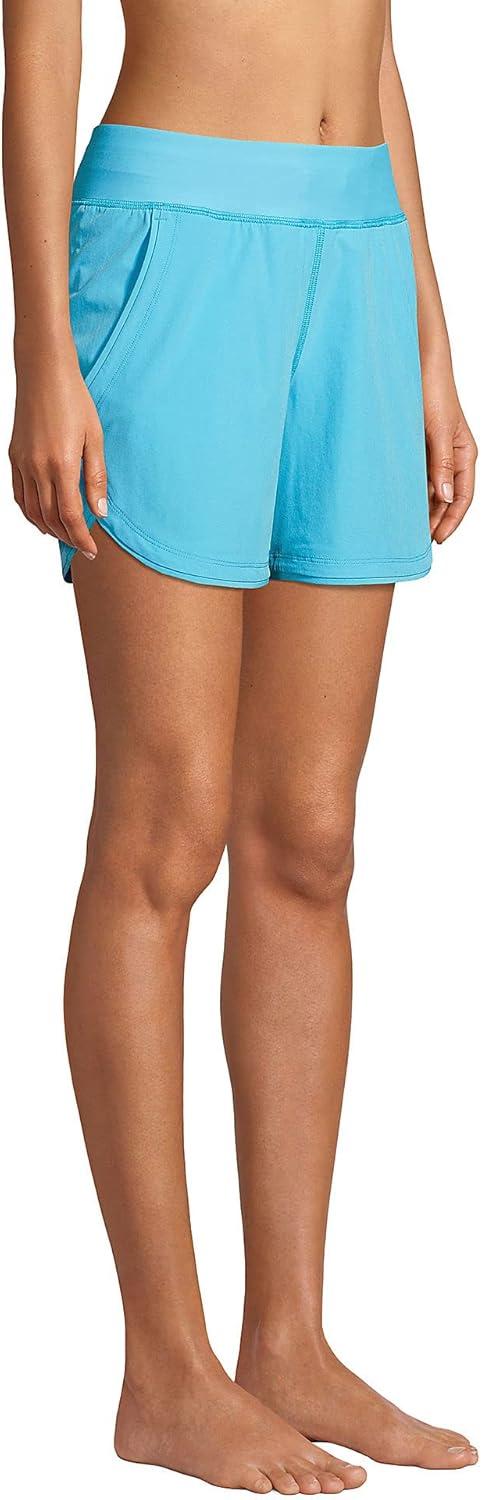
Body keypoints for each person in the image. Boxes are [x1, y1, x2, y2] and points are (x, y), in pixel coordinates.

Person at [3, 1, 477, 1492]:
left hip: (356, 250)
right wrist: (43, 353)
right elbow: (37, 47)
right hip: (171, 247)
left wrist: (426, 336)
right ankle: (163, 1370)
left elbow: (375, 48)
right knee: (165, 827)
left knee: (310, 840)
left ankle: (288, 1343)